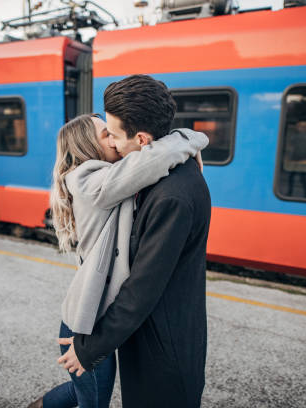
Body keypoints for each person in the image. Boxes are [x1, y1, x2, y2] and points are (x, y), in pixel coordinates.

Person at [28, 110, 208, 408]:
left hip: (96, 313)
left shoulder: (108, 179)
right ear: (89, 148)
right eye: (105, 134)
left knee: (85, 390)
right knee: (93, 401)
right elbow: (152, 159)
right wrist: (192, 140)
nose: (113, 138)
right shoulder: (88, 181)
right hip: (85, 322)